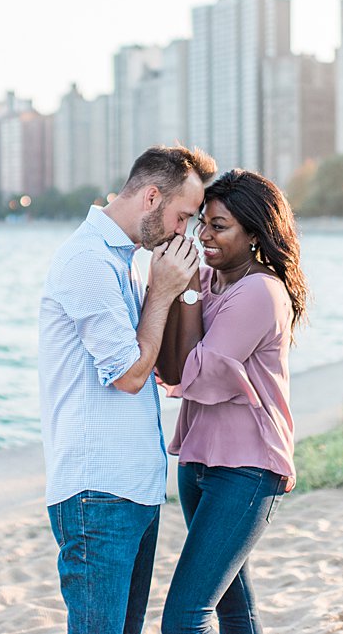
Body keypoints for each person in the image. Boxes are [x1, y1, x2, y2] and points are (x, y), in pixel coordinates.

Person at [38, 145, 217, 634]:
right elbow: (130, 374)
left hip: (133, 491)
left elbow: (159, 366)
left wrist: (183, 288)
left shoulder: (128, 262)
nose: (183, 231)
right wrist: (161, 290)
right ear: (152, 197)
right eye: (182, 217)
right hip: (97, 494)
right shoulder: (87, 260)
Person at [155, 168, 308, 634]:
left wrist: (181, 290)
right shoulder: (209, 280)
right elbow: (165, 363)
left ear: (255, 233)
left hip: (248, 469)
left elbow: (194, 375)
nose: (204, 236)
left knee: (184, 618)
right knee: (233, 609)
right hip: (198, 463)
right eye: (203, 223)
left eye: (219, 227)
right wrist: (180, 285)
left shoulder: (260, 291)